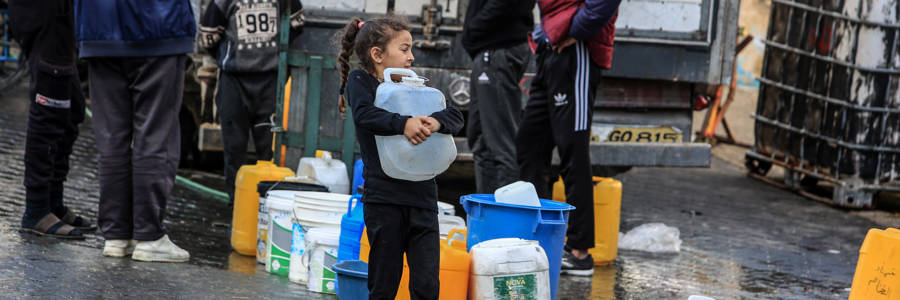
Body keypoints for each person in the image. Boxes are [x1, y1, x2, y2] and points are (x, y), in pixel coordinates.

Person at [336, 16, 464, 299]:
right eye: (404, 49)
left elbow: (455, 115)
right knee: (384, 283)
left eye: (411, 49)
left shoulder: (416, 86)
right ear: (377, 55)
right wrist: (404, 123)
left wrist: (434, 122)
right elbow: (365, 115)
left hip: (423, 201)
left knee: (427, 285)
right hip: (384, 201)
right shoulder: (362, 82)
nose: (412, 56)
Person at [74, 0, 196, 262]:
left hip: (100, 27)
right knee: (154, 134)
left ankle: (116, 235)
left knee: (111, 138)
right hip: (159, 27)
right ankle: (148, 236)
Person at [516, 0, 621, 276]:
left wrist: (570, 32)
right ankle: (534, 241)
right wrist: (547, 36)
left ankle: (579, 251)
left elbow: (603, 4)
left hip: (577, 50)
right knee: (529, 144)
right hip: (551, 50)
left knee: (572, 150)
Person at [199, 0, 305, 203]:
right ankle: (236, 204)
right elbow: (208, 36)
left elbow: (297, 23)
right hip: (234, 81)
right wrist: (228, 56)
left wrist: (275, 53)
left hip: (271, 81)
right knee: (234, 147)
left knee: (269, 148)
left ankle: (267, 203)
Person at [10, 0, 93, 239]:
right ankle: (36, 209)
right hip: (45, 13)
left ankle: (53, 202)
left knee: (72, 107)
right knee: (50, 110)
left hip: (57, 14)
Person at [461, 0, 535, 194]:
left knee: (501, 143)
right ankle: (487, 213)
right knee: (480, 139)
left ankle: (505, 215)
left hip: (498, 49)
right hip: (490, 50)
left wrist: (474, 28)